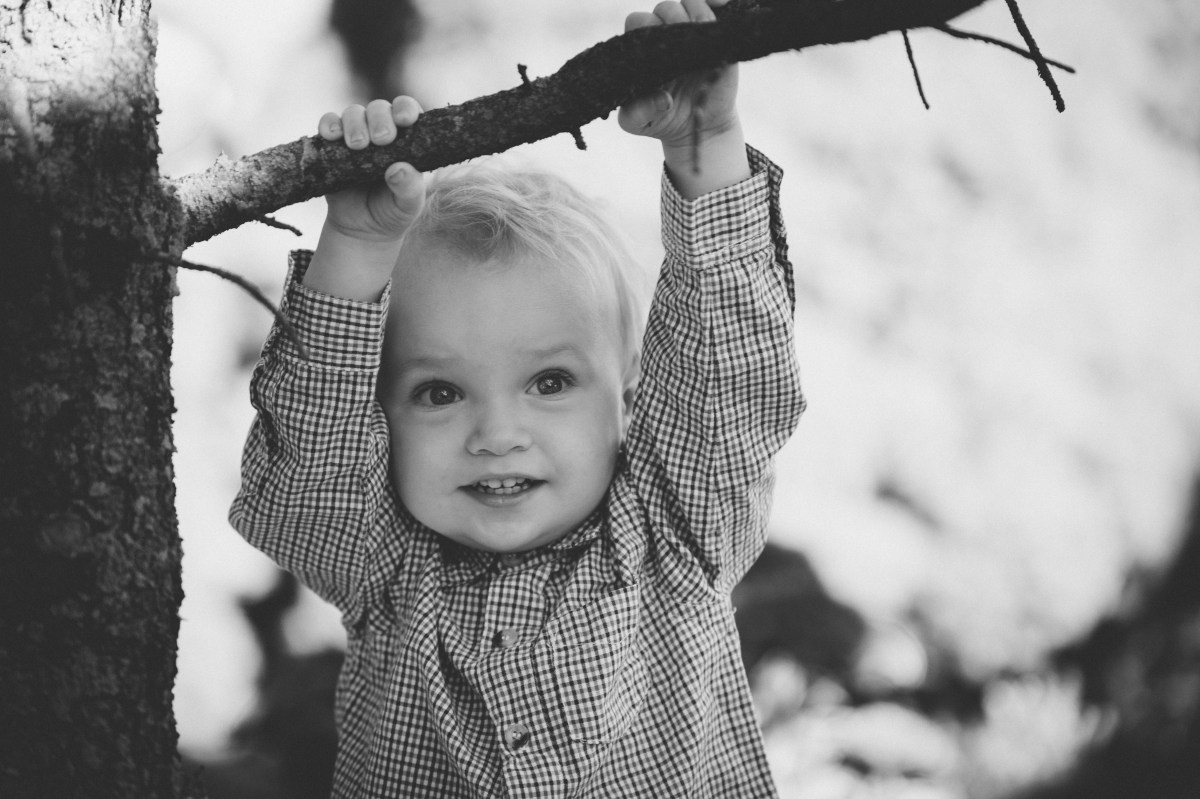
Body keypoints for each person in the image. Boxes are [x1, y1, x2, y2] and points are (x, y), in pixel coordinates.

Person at [230, 0, 804, 795]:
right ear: (378, 416)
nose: (497, 433)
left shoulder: (675, 531)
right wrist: (356, 247)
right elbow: (311, 460)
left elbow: (729, 370)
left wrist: (703, 138)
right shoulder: (381, 566)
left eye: (550, 382)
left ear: (631, 392)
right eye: (439, 392)